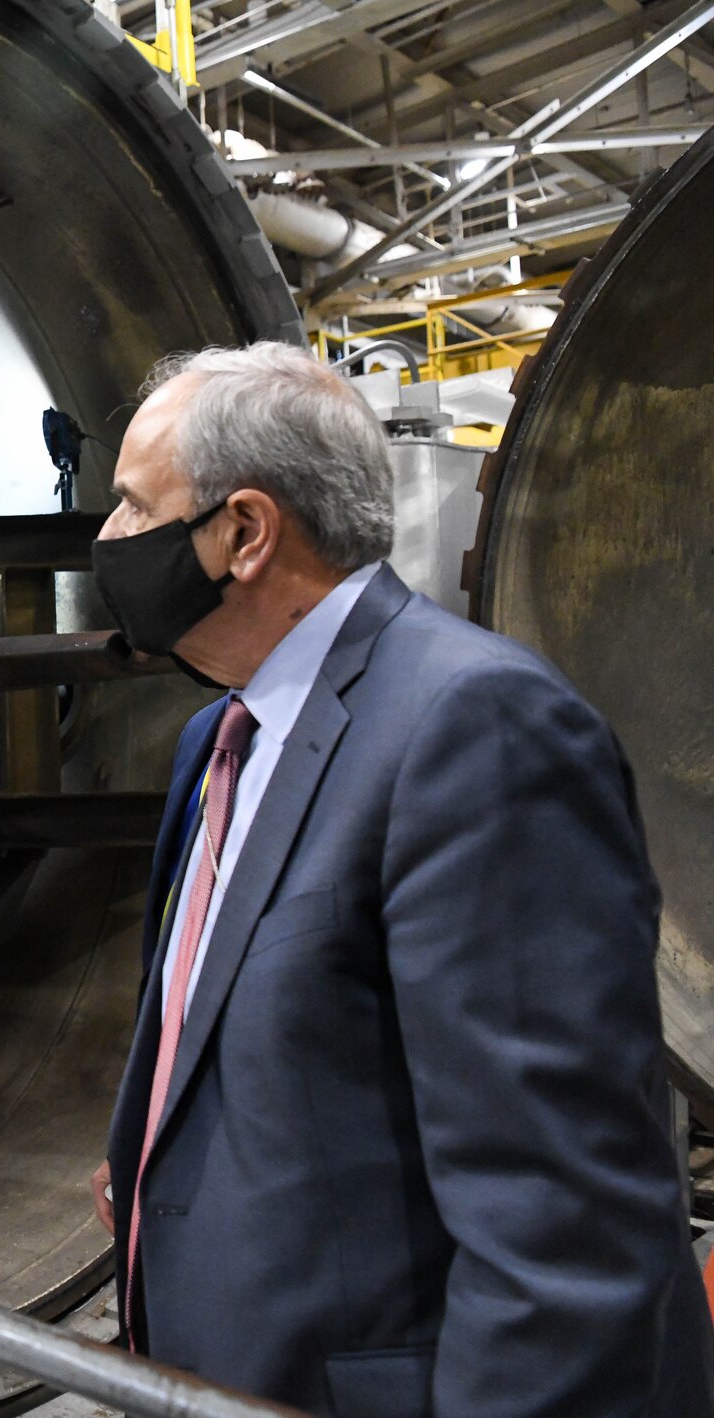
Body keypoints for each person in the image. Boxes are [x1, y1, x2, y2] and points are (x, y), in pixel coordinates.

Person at [86, 342, 714, 1417]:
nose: (106, 541)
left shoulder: (474, 727)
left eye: (133, 509)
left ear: (242, 532)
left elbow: (556, 1217)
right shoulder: (217, 738)